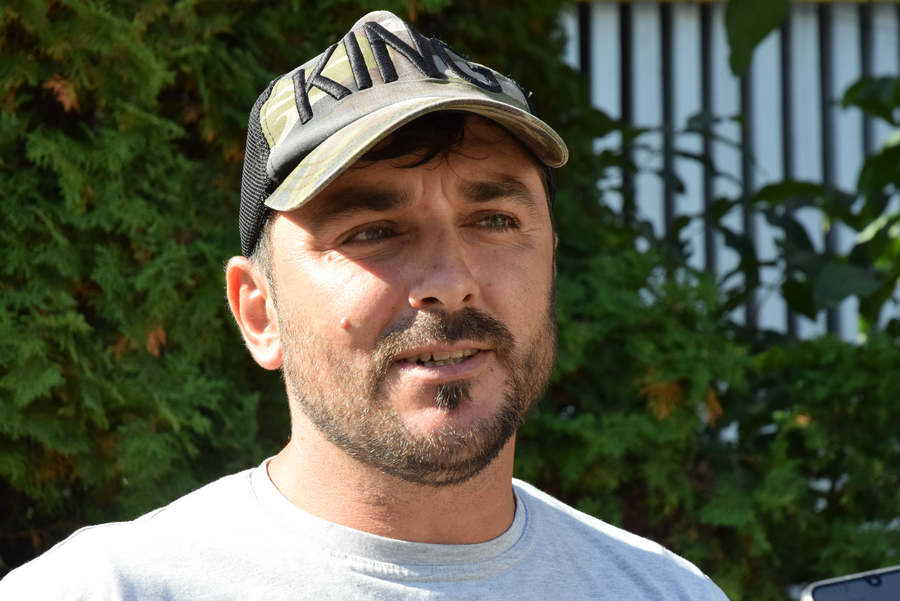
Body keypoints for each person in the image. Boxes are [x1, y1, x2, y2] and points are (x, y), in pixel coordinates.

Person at [0, 10, 729, 600]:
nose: (450, 280)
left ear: (551, 265)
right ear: (259, 312)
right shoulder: (98, 591)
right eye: (373, 231)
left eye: (494, 219)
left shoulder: (667, 592)